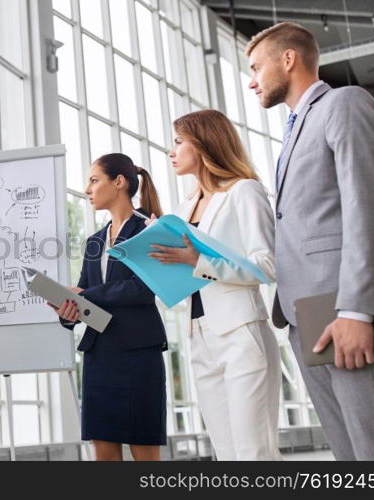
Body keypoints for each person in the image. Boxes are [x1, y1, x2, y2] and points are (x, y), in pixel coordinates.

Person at [246, 22, 374, 460]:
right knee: (347, 452)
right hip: (306, 314)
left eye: (256, 67)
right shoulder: (291, 131)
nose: (252, 80)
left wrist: (357, 310)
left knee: (372, 444)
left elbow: (368, 206)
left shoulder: (343, 103)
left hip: (343, 310)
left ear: (288, 59)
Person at [149, 109, 282, 460]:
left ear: (204, 144)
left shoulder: (244, 191)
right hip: (198, 334)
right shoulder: (185, 206)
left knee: (253, 451)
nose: (171, 151)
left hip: (240, 331)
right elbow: (188, 275)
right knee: (225, 453)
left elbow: (268, 266)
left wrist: (199, 261)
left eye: (179, 142)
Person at [53, 153, 167, 461]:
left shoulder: (149, 229)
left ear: (119, 182)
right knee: (103, 451)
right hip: (99, 353)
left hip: (139, 352)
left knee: (143, 449)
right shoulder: (94, 241)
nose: (87, 189)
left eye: (94, 180)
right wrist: (68, 311)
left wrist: (87, 294)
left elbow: (142, 289)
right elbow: (84, 291)